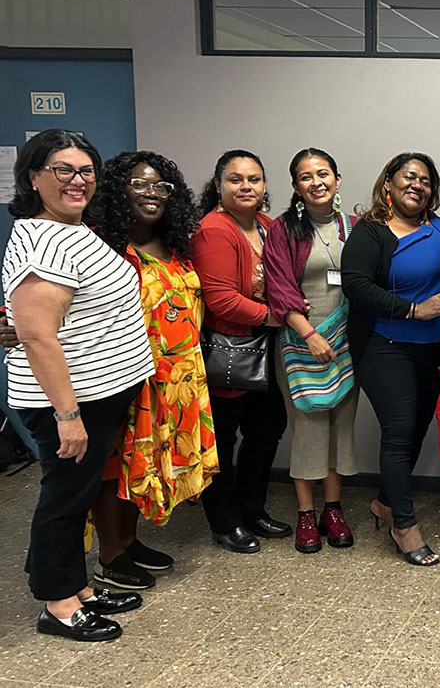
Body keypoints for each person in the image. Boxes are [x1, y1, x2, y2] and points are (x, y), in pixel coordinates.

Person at [4, 130, 153, 641]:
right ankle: (58, 603)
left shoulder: (71, 230)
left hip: (99, 394)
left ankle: (78, 585)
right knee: (64, 499)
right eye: (62, 170)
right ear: (32, 177)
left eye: (86, 170)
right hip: (72, 402)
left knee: (79, 492)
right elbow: (37, 336)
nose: (77, 180)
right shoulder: (42, 238)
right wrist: (67, 416)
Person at [85, 150, 216, 590]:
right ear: (118, 190)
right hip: (127, 376)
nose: (152, 194)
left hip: (179, 376)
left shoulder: (176, 243)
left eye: (160, 186)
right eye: (140, 184)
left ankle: (129, 541)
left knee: (146, 463)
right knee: (119, 464)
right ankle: (110, 555)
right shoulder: (101, 243)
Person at [343, 152, 440, 566]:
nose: (417, 185)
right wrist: (413, 310)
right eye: (409, 177)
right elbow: (355, 285)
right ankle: (404, 526)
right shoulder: (371, 232)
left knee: (417, 428)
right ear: (388, 182)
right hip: (384, 344)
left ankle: (384, 503)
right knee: (399, 429)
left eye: (426, 180)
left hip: (433, 348)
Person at [193, 150, 290, 553]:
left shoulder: (266, 225)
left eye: (253, 179)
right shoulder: (213, 230)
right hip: (228, 349)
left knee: (267, 429)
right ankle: (225, 521)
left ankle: (253, 510)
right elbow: (222, 301)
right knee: (223, 440)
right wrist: (283, 316)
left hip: (262, 346)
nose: (246, 186)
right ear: (218, 185)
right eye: (235, 179)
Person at [264, 148, 359, 554]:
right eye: (306, 176)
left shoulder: (354, 226)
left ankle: (332, 510)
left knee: (341, 427)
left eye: (324, 174)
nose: (316, 182)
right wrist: (310, 335)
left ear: (338, 179)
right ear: (295, 186)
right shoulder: (283, 230)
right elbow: (279, 288)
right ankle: (305, 512)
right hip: (302, 343)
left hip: (347, 344)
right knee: (308, 428)